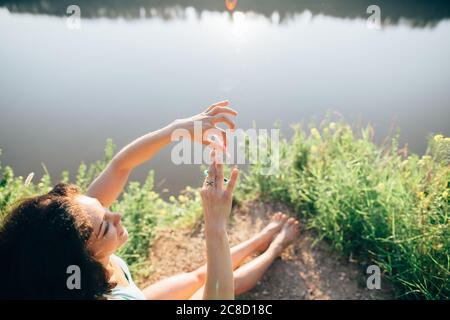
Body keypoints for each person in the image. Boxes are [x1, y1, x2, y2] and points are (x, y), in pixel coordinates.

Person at [0, 101, 299, 299]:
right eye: (105, 226)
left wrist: (175, 130)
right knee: (208, 287)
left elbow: (121, 165)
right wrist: (215, 226)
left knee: (196, 274)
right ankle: (274, 247)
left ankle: (263, 235)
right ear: (79, 262)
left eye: (103, 208)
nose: (115, 215)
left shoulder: (76, 230)